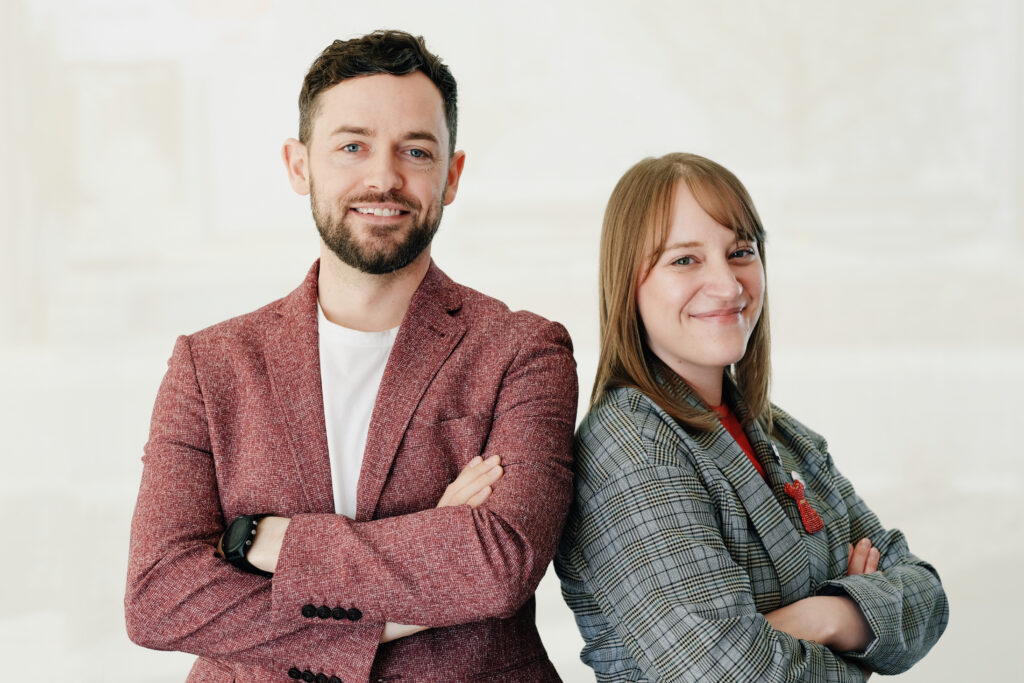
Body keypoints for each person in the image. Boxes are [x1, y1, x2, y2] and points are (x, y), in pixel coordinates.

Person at [125, 30, 577, 683]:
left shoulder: (522, 350)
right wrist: (424, 563)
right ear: (299, 165)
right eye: (352, 146)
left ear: (450, 176)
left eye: (415, 150)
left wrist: (263, 542)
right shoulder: (210, 364)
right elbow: (159, 597)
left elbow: (498, 562)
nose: (383, 177)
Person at [555, 153, 948, 681]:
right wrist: (861, 631)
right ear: (627, 283)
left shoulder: (779, 432)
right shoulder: (632, 450)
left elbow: (926, 595)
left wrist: (824, 615)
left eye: (741, 252)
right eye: (684, 260)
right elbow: (727, 673)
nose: (728, 284)